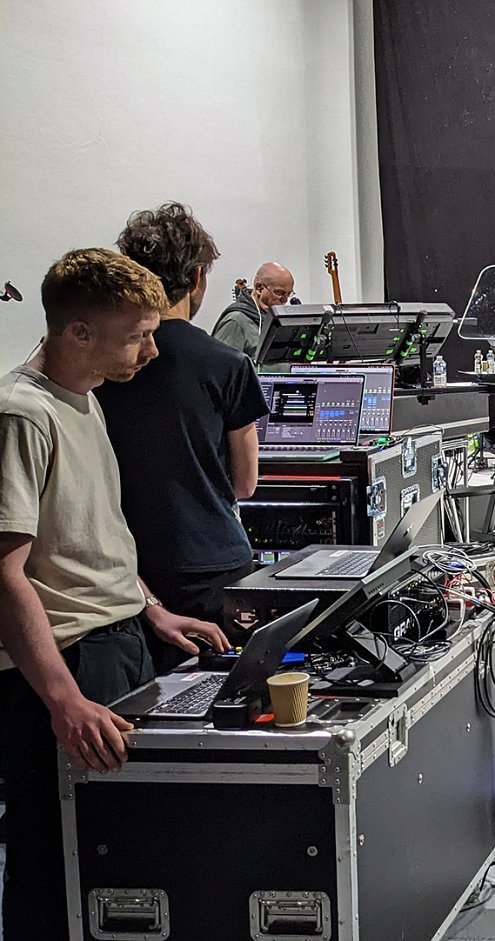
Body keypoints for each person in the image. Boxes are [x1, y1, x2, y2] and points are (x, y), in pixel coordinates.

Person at [0, 249, 231, 939]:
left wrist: (152, 609)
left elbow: (88, 533)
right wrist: (64, 700)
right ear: (78, 332)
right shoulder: (21, 413)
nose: (154, 350)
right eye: (138, 334)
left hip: (118, 644)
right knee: (54, 859)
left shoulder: (87, 400)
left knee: (120, 854)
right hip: (65, 668)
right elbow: (5, 574)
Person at [96, 203, 270, 670]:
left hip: (125, 572)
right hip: (210, 568)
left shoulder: (97, 365)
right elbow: (244, 484)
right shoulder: (227, 364)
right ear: (196, 278)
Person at [212, 261, 295, 355]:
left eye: (288, 294)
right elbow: (220, 363)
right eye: (279, 293)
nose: (284, 300)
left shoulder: (276, 322)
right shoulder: (236, 320)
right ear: (259, 288)